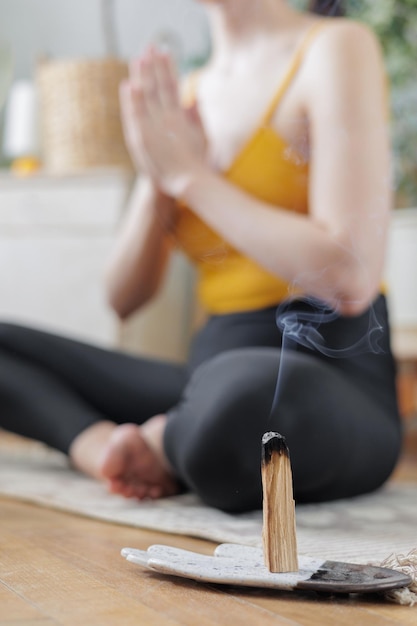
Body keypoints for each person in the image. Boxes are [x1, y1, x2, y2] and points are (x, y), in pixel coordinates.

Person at [0, 0, 402, 513]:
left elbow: (349, 278)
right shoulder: (186, 97)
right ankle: (106, 448)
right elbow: (123, 298)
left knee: (235, 406)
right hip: (208, 372)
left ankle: (167, 443)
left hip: (326, 376)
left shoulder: (334, 47)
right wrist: (157, 177)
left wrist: (190, 177)